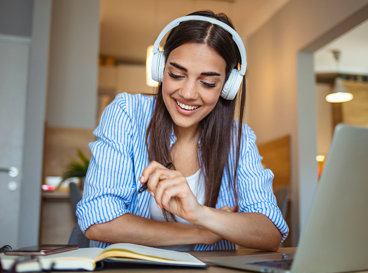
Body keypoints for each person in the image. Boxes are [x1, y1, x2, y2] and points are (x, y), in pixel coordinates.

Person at [77, 10, 289, 251]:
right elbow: (99, 220)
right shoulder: (127, 113)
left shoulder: (238, 138)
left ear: (228, 86)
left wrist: (199, 213)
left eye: (208, 83)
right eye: (176, 75)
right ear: (160, 68)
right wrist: (198, 232)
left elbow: (271, 232)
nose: (188, 93)